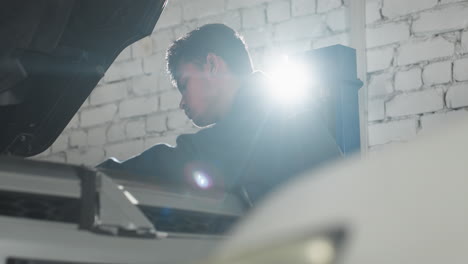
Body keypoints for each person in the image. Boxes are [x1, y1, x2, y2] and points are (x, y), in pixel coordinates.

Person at [98, 24, 341, 204]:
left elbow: (181, 161)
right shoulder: (277, 110)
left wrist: (91, 178)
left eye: (184, 85)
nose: (182, 103)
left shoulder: (268, 119)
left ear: (212, 65)